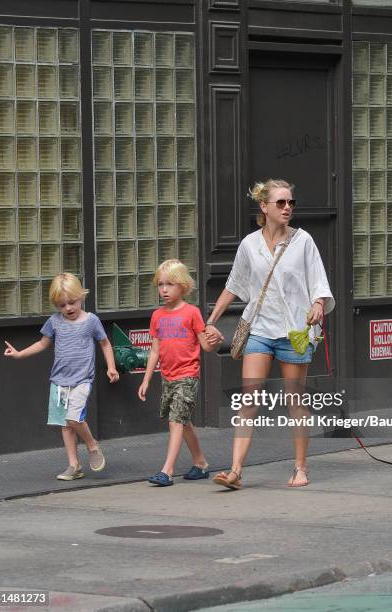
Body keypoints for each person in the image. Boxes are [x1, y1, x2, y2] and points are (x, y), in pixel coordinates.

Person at [205, 179, 335, 489]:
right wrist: (209, 321)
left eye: (291, 202)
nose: (287, 207)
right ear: (264, 207)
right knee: (250, 397)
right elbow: (234, 285)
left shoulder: (303, 241)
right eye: (281, 203)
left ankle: (300, 468)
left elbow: (318, 280)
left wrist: (318, 303)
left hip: (294, 331)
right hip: (260, 328)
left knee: (294, 400)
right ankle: (235, 470)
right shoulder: (249, 244)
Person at [4, 272, 119, 481]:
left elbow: (104, 343)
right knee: (65, 425)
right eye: (62, 305)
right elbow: (42, 343)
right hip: (59, 381)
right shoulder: (54, 322)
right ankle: (74, 465)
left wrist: (111, 367)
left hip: (82, 379)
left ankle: (92, 445)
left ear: (81, 296)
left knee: (74, 418)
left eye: (72, 302)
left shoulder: (91, 321)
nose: (68, 308)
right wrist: (20, 354)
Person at [138, 259, 222, 486]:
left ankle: (167, 471)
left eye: (170, 284)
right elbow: (154, 350)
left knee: (176, 421)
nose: (164, 289)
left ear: (183, 286)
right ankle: (201, 463)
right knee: (183, 422)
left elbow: (206, 346)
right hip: (167, 376)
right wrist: (146, 379)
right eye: (161, 284)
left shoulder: (192, 313)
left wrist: (215, 340)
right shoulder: (157, 316)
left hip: (187, 375)